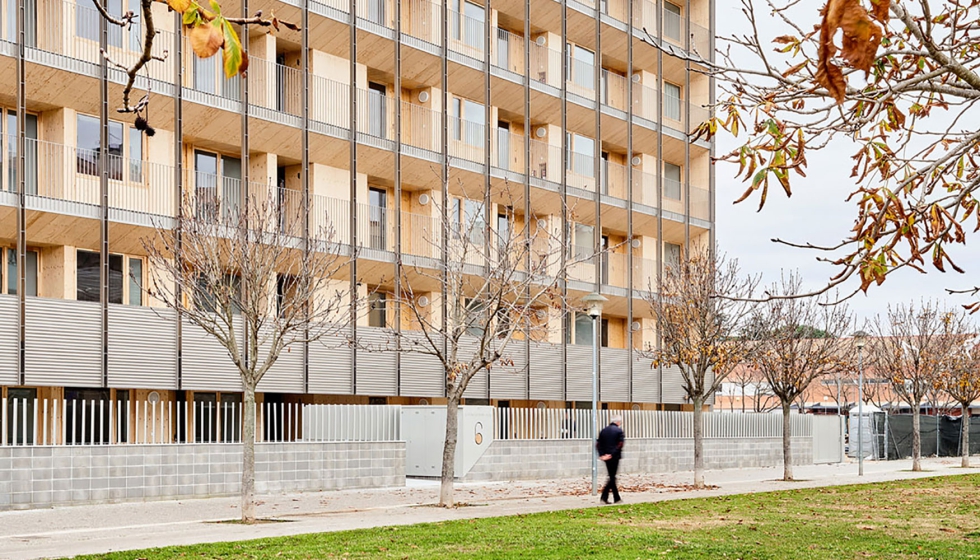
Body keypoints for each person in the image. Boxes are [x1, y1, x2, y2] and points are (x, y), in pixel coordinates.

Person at [596, 415, 624, 504]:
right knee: (612, 477)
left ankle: (616, 498)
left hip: (605, 457)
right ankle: (606, 498)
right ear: (618, 422)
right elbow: (620, 444)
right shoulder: (619, 431)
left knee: (612, 476)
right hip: (614, 457)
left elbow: (598, 444)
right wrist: (611, 454)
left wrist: (602, 454)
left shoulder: (603, 431)